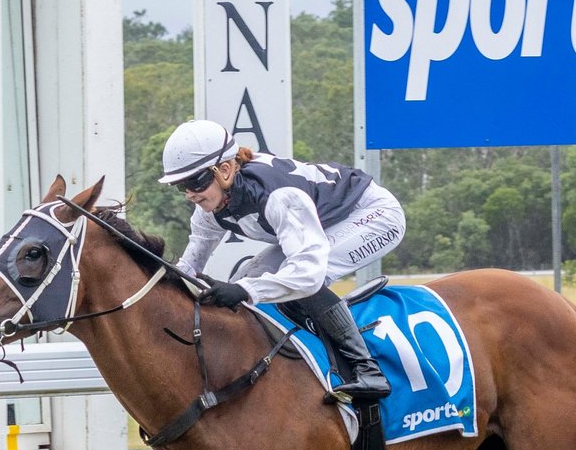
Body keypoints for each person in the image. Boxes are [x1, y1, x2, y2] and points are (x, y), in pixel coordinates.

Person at [159, 119, 405, 403]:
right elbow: (189, 266)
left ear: (225, 170)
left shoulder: (277, 195)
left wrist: (245, 291)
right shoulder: (210, 208)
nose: (190, 194)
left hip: (373, 215)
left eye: (195, 182)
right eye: (181, 187)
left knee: (298, 279)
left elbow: (308, 275)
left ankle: (367, 369)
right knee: (247, 276)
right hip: (320, 222)